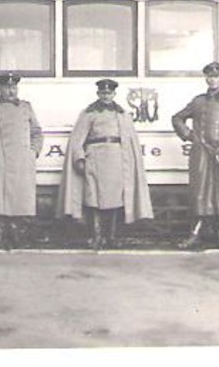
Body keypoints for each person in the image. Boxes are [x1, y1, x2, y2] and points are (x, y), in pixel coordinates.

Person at [61, 78, 153, 251]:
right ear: (98, 94)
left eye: (109, 93)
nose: (106, 96)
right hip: (95, 158)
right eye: (103, 93)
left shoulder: (121, 114)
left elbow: (129, 139)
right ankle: (95, 236)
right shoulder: (89, 113)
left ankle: (111, 237)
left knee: (116, 199)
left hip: (117, 159)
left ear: (114, 94)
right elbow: (77, 140)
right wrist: (80, 158)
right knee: (93, 199)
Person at [171, 61, 219, 249]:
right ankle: (195, 234)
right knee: (200, 194)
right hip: (202, 155)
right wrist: (189, 135)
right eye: (209, 77)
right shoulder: (198, 101)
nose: (212, 80)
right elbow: (177, 118)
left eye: (216, 76)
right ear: (206, 78)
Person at [0, 73, 42, 250]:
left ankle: (20, 238)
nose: (11, 91)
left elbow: (37, 132)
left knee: (21, 200)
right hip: (1, 160)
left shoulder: (26, 107)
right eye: (7, 88)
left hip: (22, 160)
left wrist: (33, 152)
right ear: (0, 89)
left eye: (13, 87)